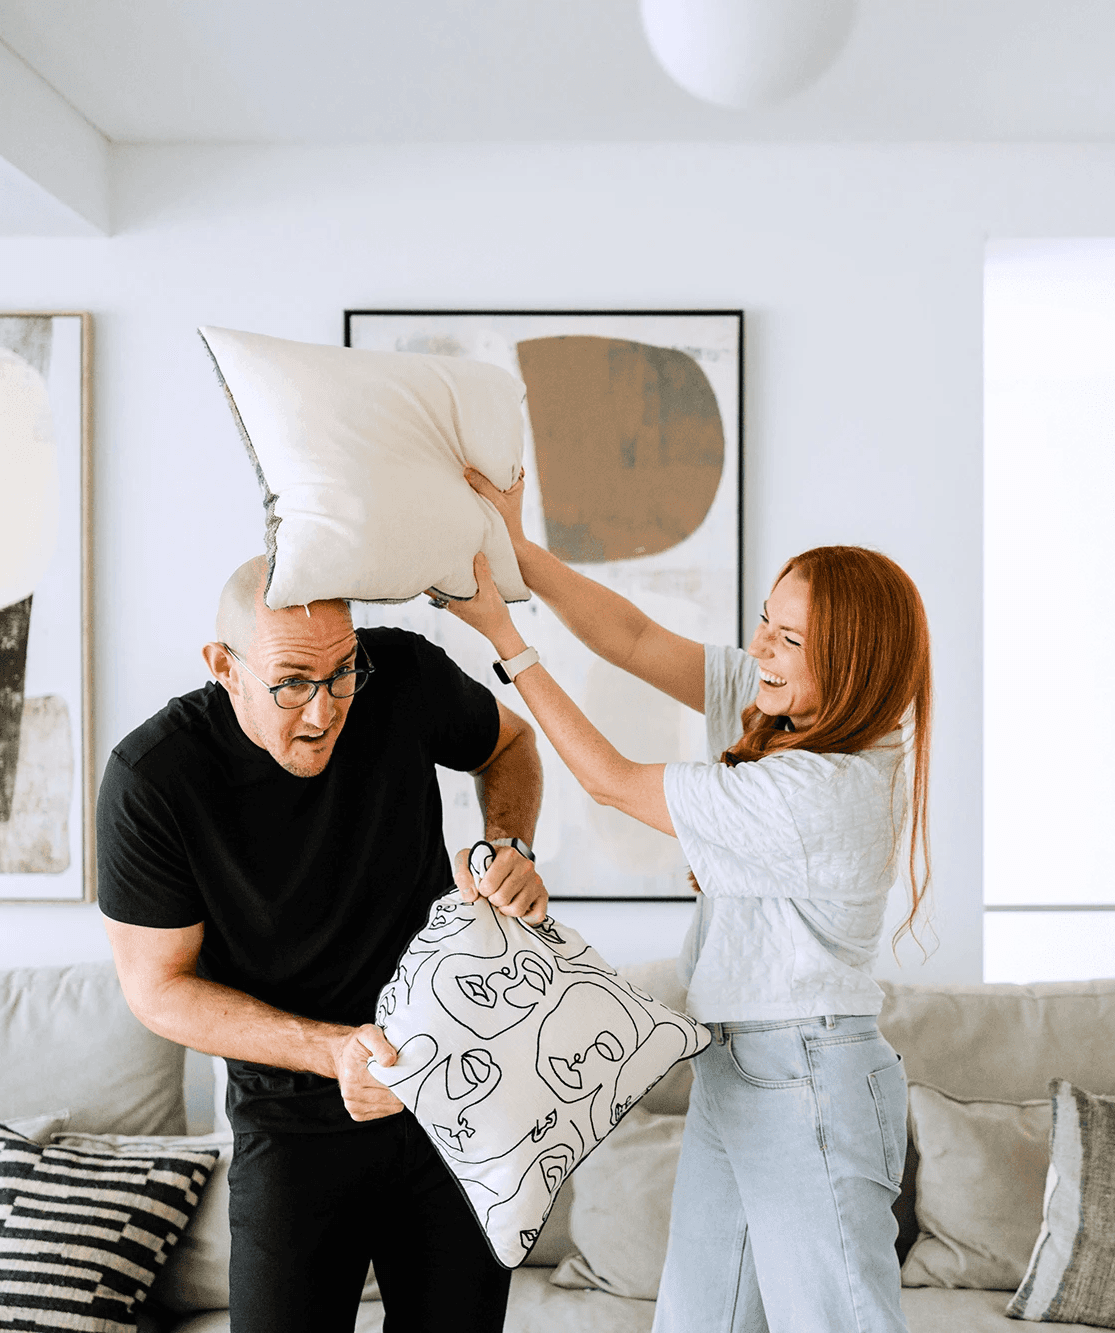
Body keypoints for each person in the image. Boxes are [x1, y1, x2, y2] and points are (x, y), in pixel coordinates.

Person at [442, 468, 932, 1333]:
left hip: (804, 1075)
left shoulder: (825, 787)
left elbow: (609, 779)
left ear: (849, 664)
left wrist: (507, 642)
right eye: (765, 622)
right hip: (734, 1060)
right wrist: (520, 552)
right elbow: (632, 637)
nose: (760, 648)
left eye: (787, 638)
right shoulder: (789, 713)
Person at [96, 555, 549, 1333]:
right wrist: (332, 1050)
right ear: (224, 666)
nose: (323, 709)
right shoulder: (153, 779)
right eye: (291, 682)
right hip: (290, 1122)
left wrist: (507, 845)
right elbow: (156, 988)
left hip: (455, 1089)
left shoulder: (401, 674)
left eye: (343, 674)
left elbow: (509, 744)